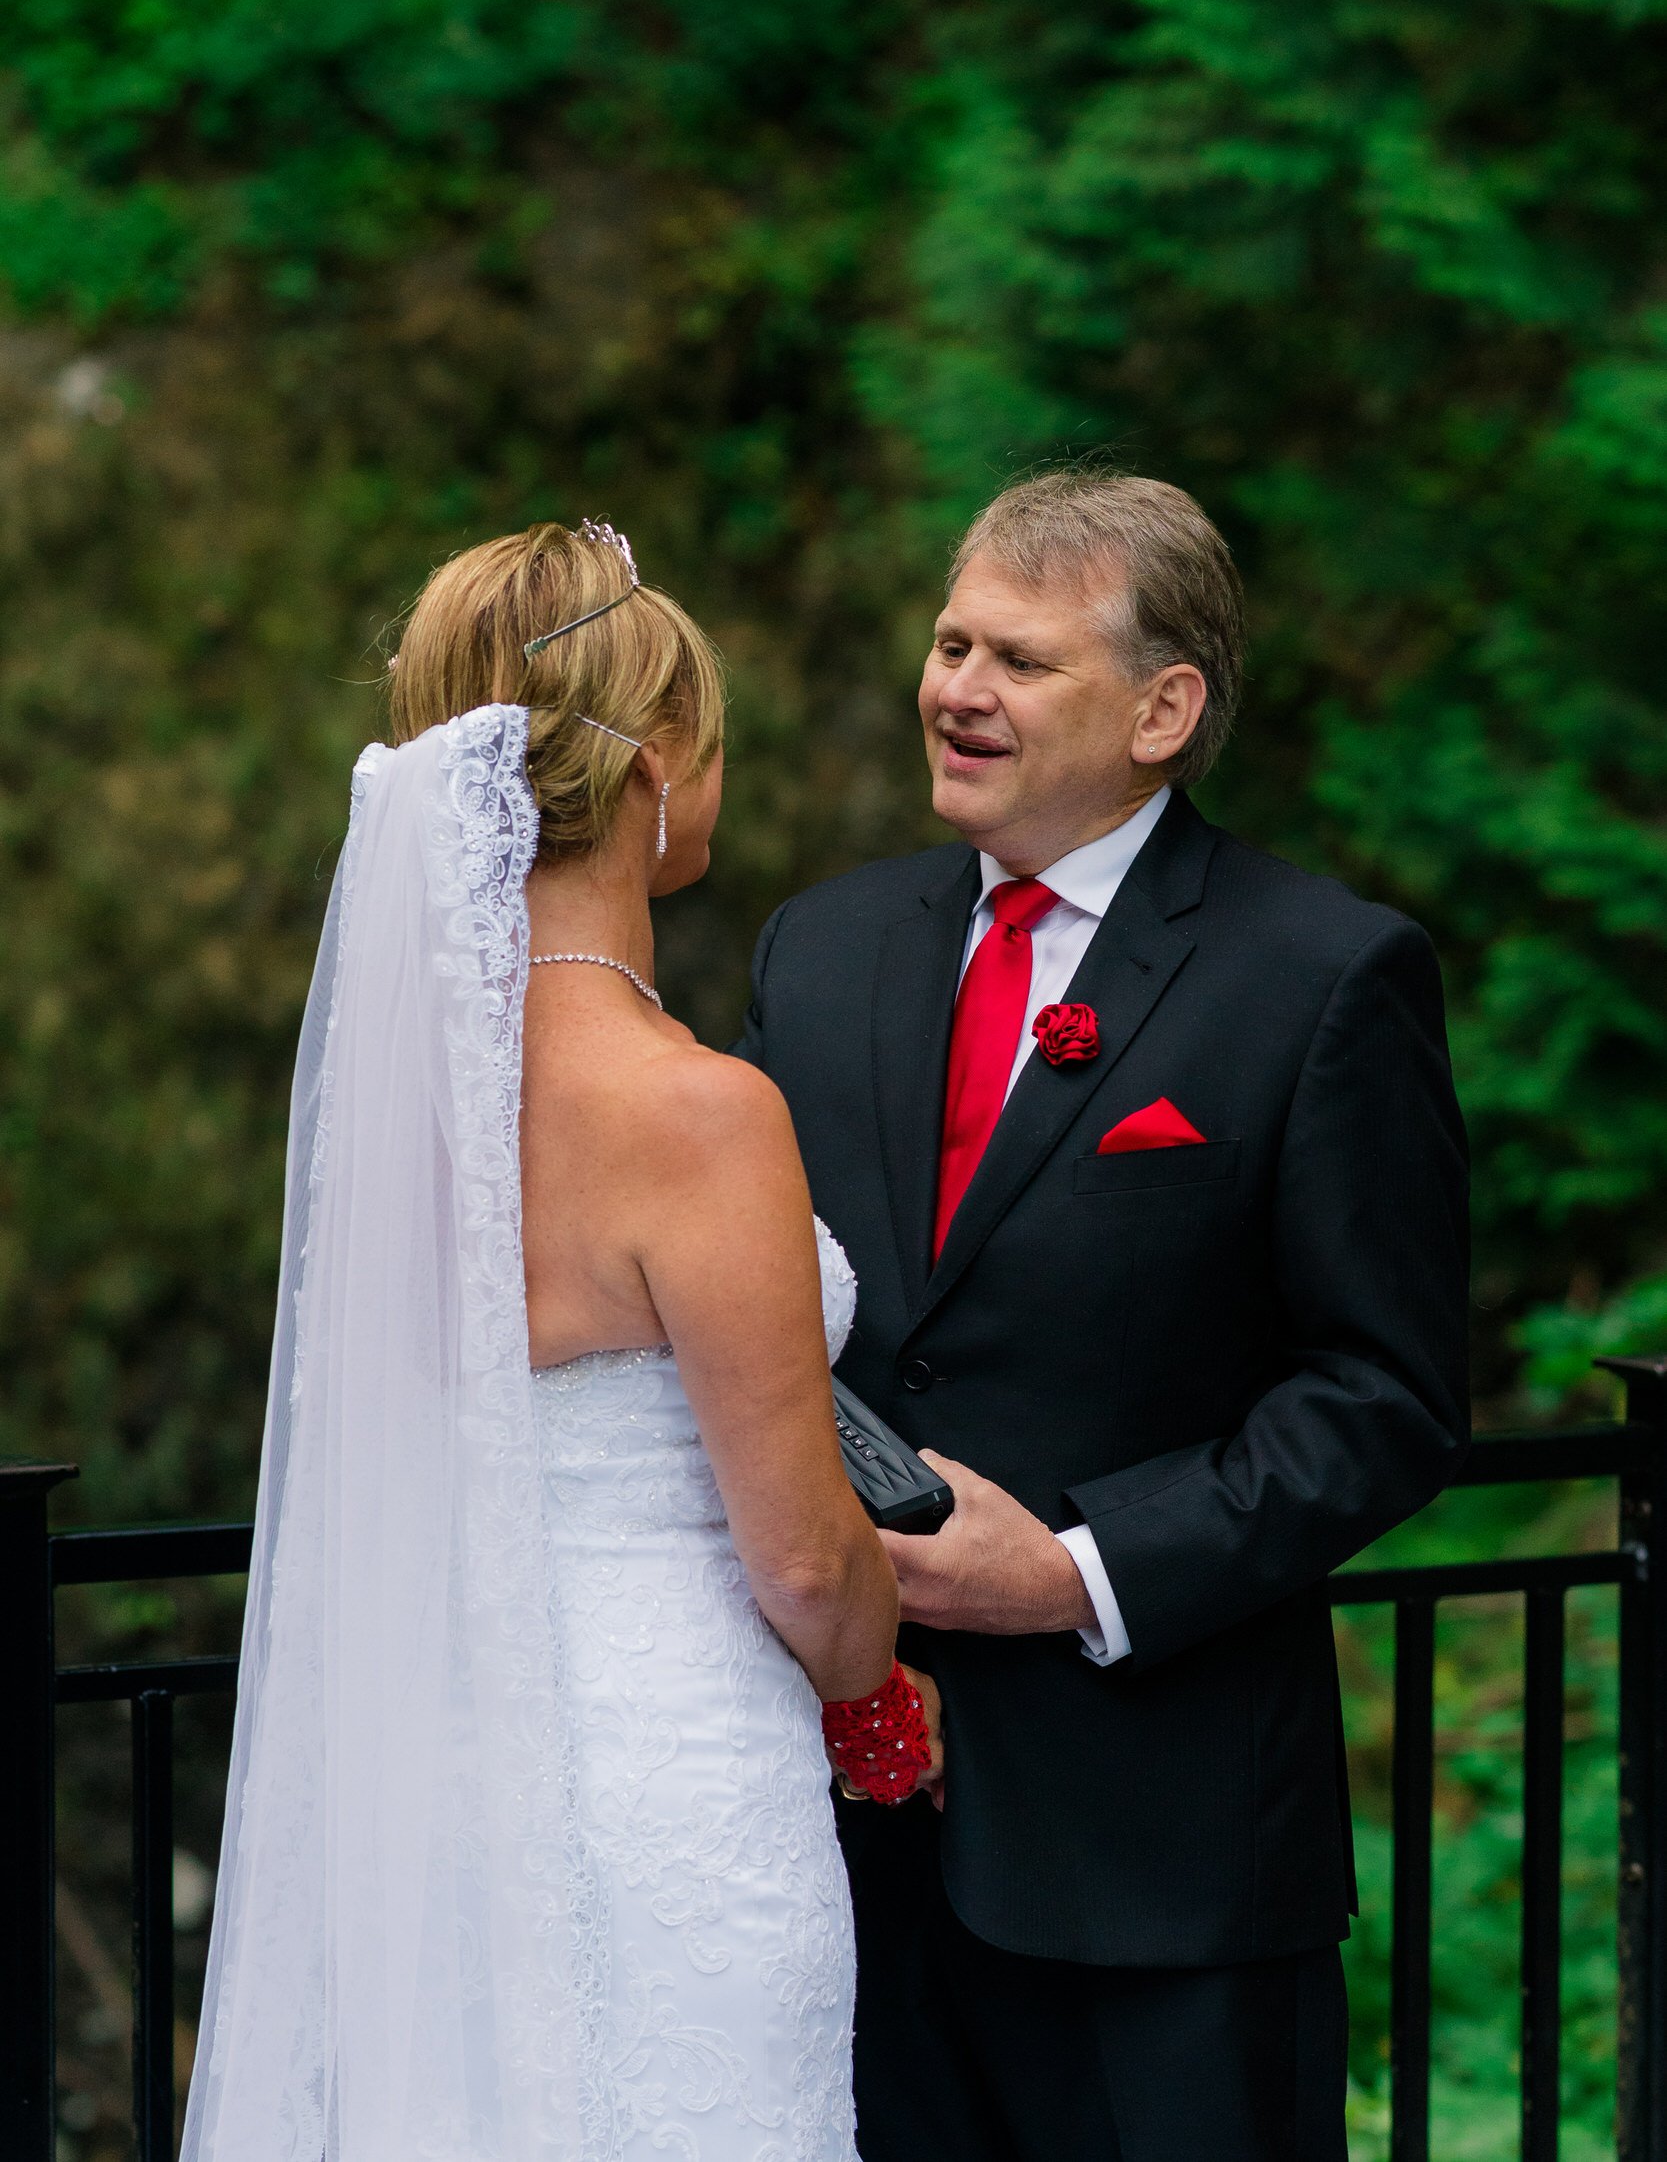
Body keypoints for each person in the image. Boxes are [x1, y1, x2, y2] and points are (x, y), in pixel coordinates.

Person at [737, 469, 1471, 2162]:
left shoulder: (1325, 977)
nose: (958, 689)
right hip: (831, 1856)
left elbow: (1384, 1397)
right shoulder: (819, 949)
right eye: (949, 642)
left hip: (1170, 1870)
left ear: (1164, 709)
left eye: (1020, 660)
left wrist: (1075, 1574)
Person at [181, 520, 936, 2162]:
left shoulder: (395, 1097)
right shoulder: (697, 1114)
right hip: (666, 1788)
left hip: (441, 1769)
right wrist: (881, 1686)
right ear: (663, 762)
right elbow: (806, 1566)